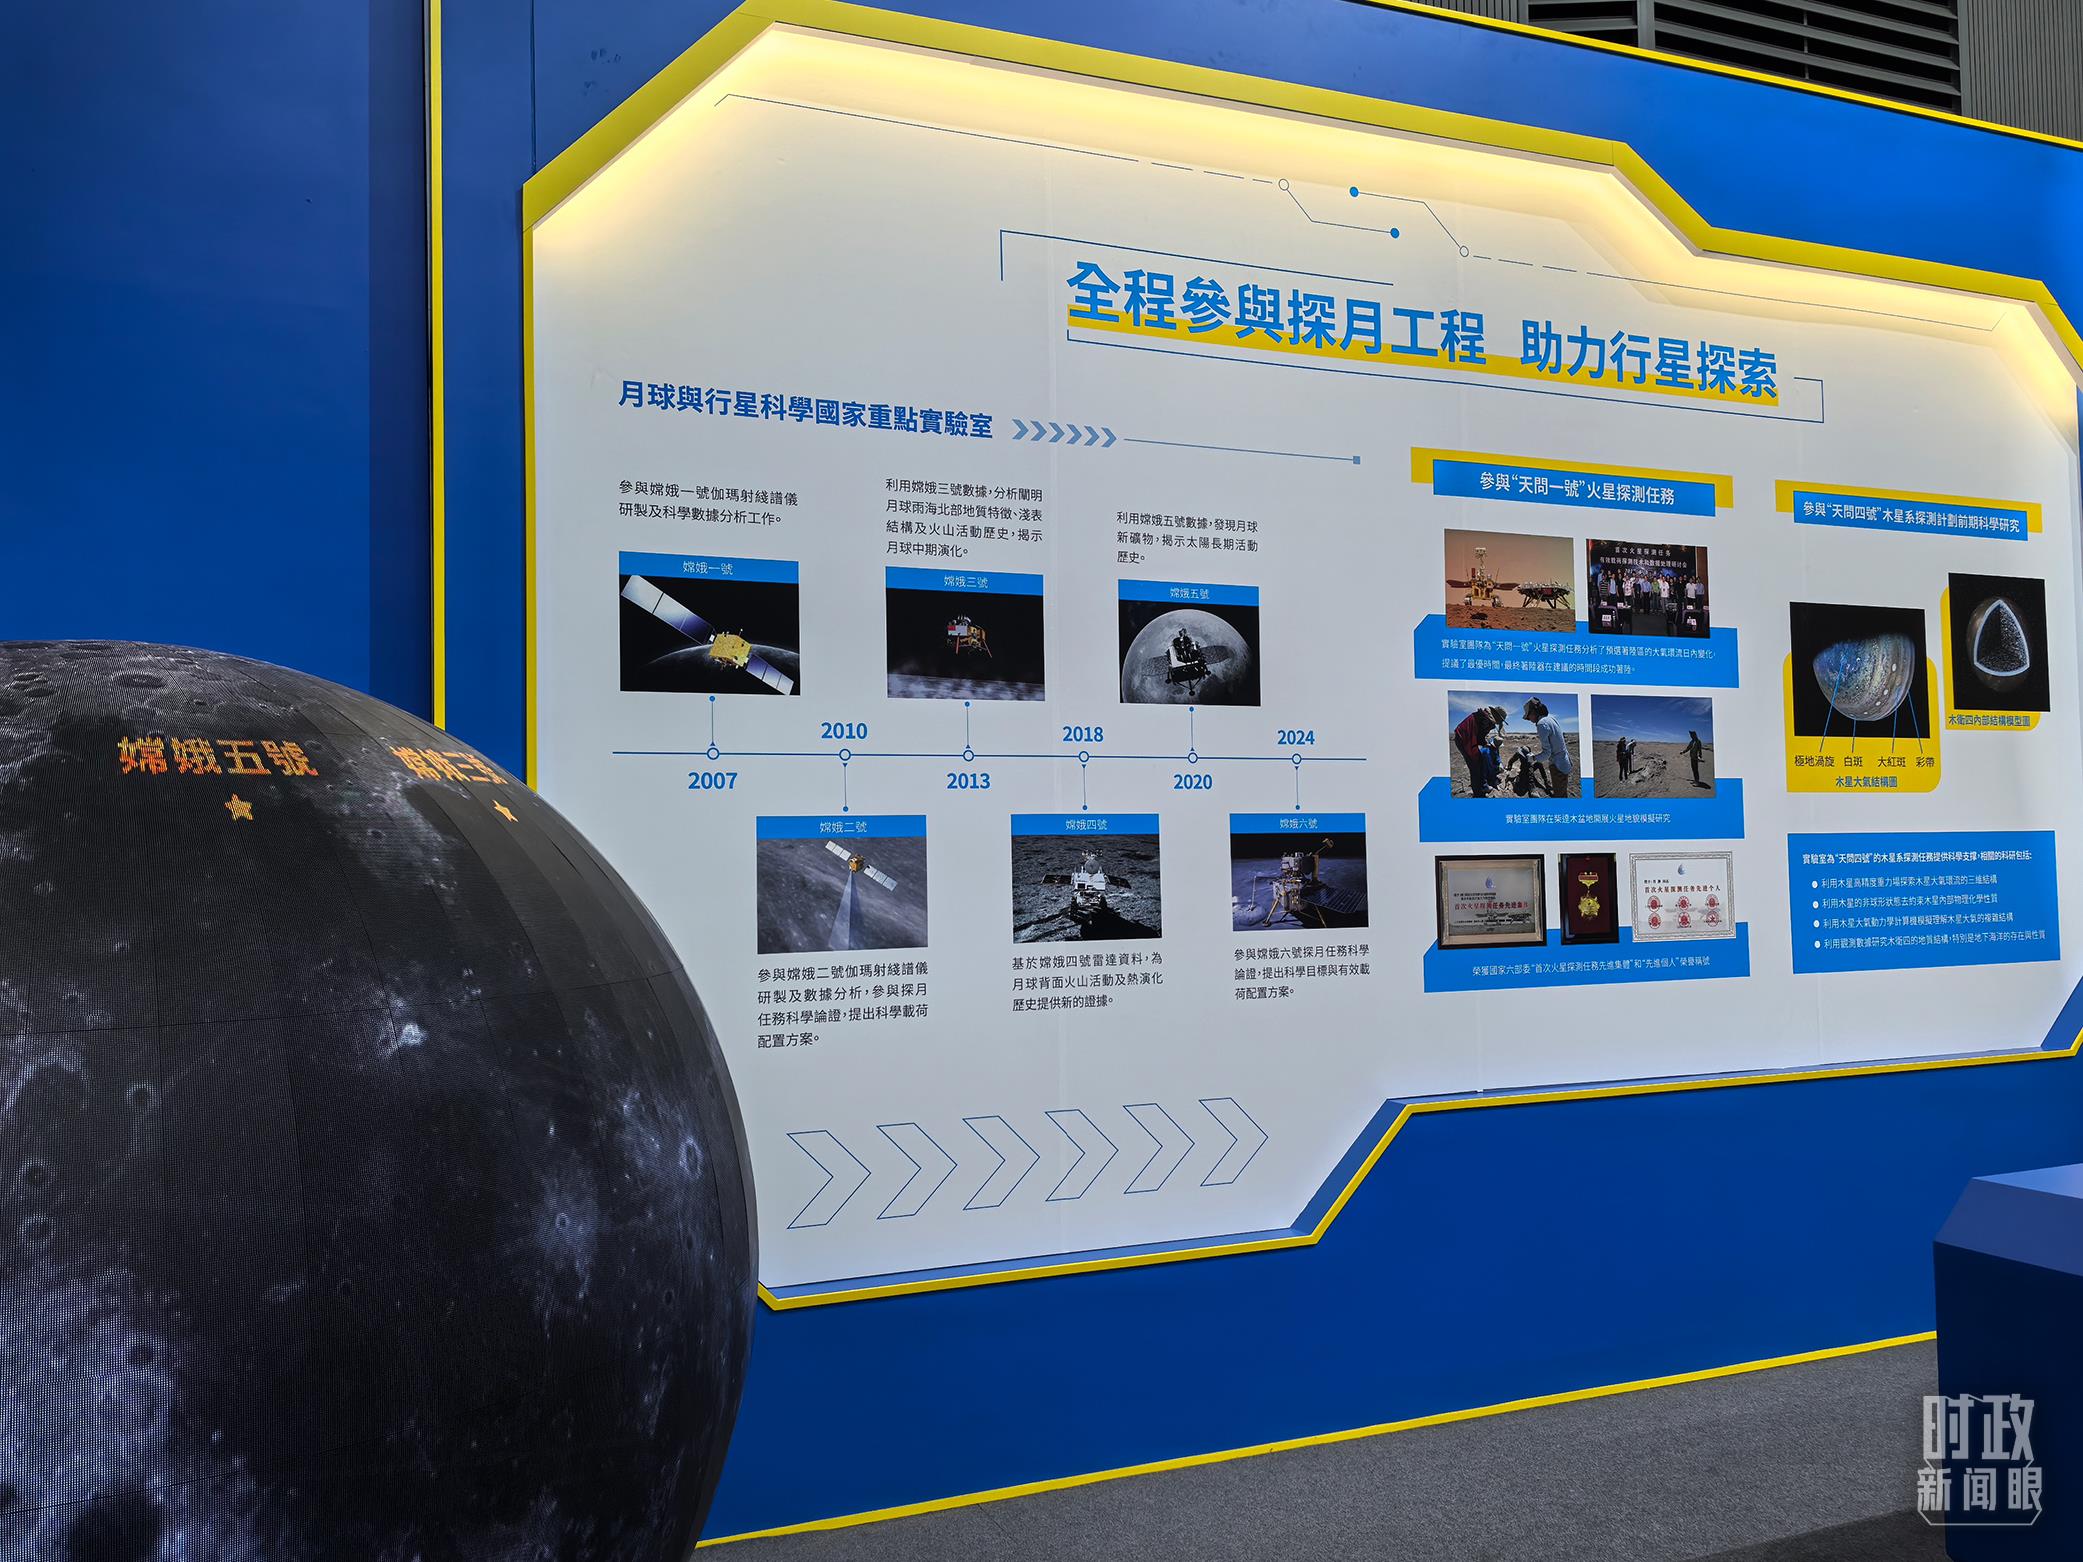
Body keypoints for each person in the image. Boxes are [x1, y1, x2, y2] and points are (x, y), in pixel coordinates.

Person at [1523, 697, 1573, 797]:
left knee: (1559, 797)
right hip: (1564, 761)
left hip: (1558, 766)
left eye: (1528, 716)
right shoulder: (1550, 718)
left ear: (1533, 712)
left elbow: (1547, 753)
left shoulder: (1541, 724)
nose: (1529, 719)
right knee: (1562, 792)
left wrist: (1533, 758)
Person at [1452, 704, 1507, 795]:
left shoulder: (1483, 716)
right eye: (1500, 721)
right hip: (1465, 739)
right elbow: (1480, 735)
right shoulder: (1486, 719)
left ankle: (1482, 786)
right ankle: (1479, 791)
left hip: (1464, 738)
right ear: (1497, 717)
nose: (1498, 723)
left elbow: (1479, 734)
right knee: (1475, 765)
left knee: (1478, 764)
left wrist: (1484, 743)